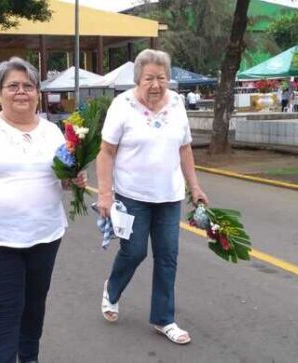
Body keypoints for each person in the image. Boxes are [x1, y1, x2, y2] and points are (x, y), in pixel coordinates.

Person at [0, 57, 85, 363]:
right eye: (13, 86)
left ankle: (30, 357)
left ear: (37, 93)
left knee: (34, 307)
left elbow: (62, 180)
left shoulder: (54, 132)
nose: (21, 91)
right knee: (4, 313)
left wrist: (74, 179)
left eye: (28, 86)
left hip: (45, 237)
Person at [95, 49, 209, 345]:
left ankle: (163, 319)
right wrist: (105, 194)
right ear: (138, 79)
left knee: (168, 256)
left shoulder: (177, 104)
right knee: (134, 252)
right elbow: (106, 152)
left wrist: (194, 187)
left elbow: (184, 149)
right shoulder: (122, 105)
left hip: (169, 196)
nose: (156, 85)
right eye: (149, 78)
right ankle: (112, 289)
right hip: (132, 195)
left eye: (161, 78)